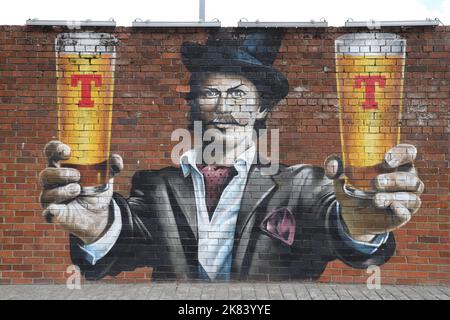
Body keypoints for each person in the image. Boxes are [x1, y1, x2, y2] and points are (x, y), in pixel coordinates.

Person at [39, 30, 424, 281]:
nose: (223, 107)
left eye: (238, 94)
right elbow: (125, 240)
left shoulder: (303, 183)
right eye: (210, 94)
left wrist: (361, 225)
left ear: (261, 110)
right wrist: (96, 225)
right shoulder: (156, 186)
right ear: (194, 107)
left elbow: (335, 223)